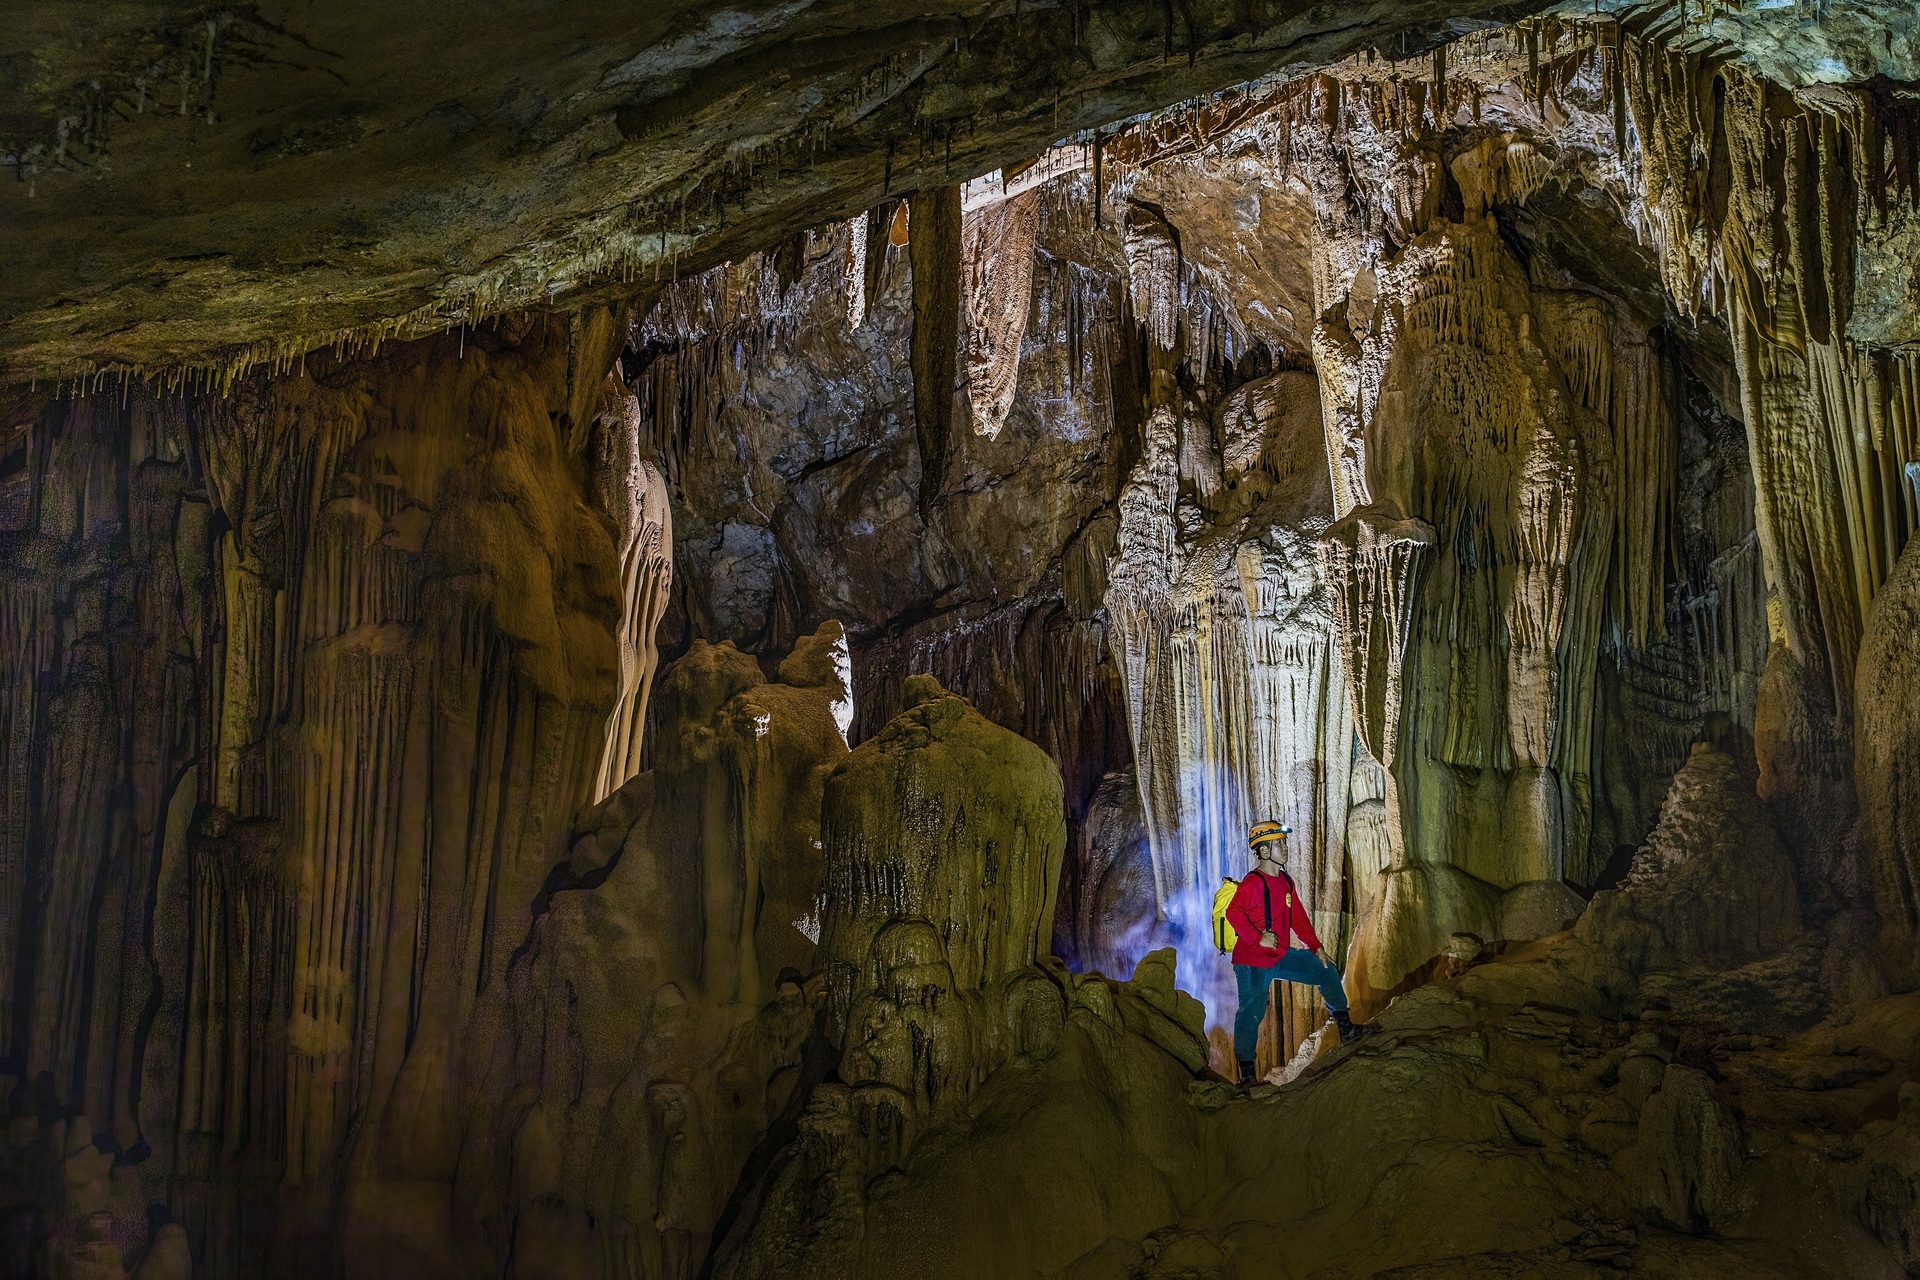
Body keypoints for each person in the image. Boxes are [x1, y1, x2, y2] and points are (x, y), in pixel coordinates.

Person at [1226, 820, 1375, 1083]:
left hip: (1280, 956)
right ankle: (1247, 1074)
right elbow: (1233, 913)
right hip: (1251, 961)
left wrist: (1316, 948)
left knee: (1324, 969)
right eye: (1278, 843)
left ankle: (1346, 1028)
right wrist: (1258, 937)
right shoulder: (1252, 883)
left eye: (1284, 842)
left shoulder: (1285, 881)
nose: (1285, 848)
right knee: (1251, 1011)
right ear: (1263, 851)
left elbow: (1298, 918)